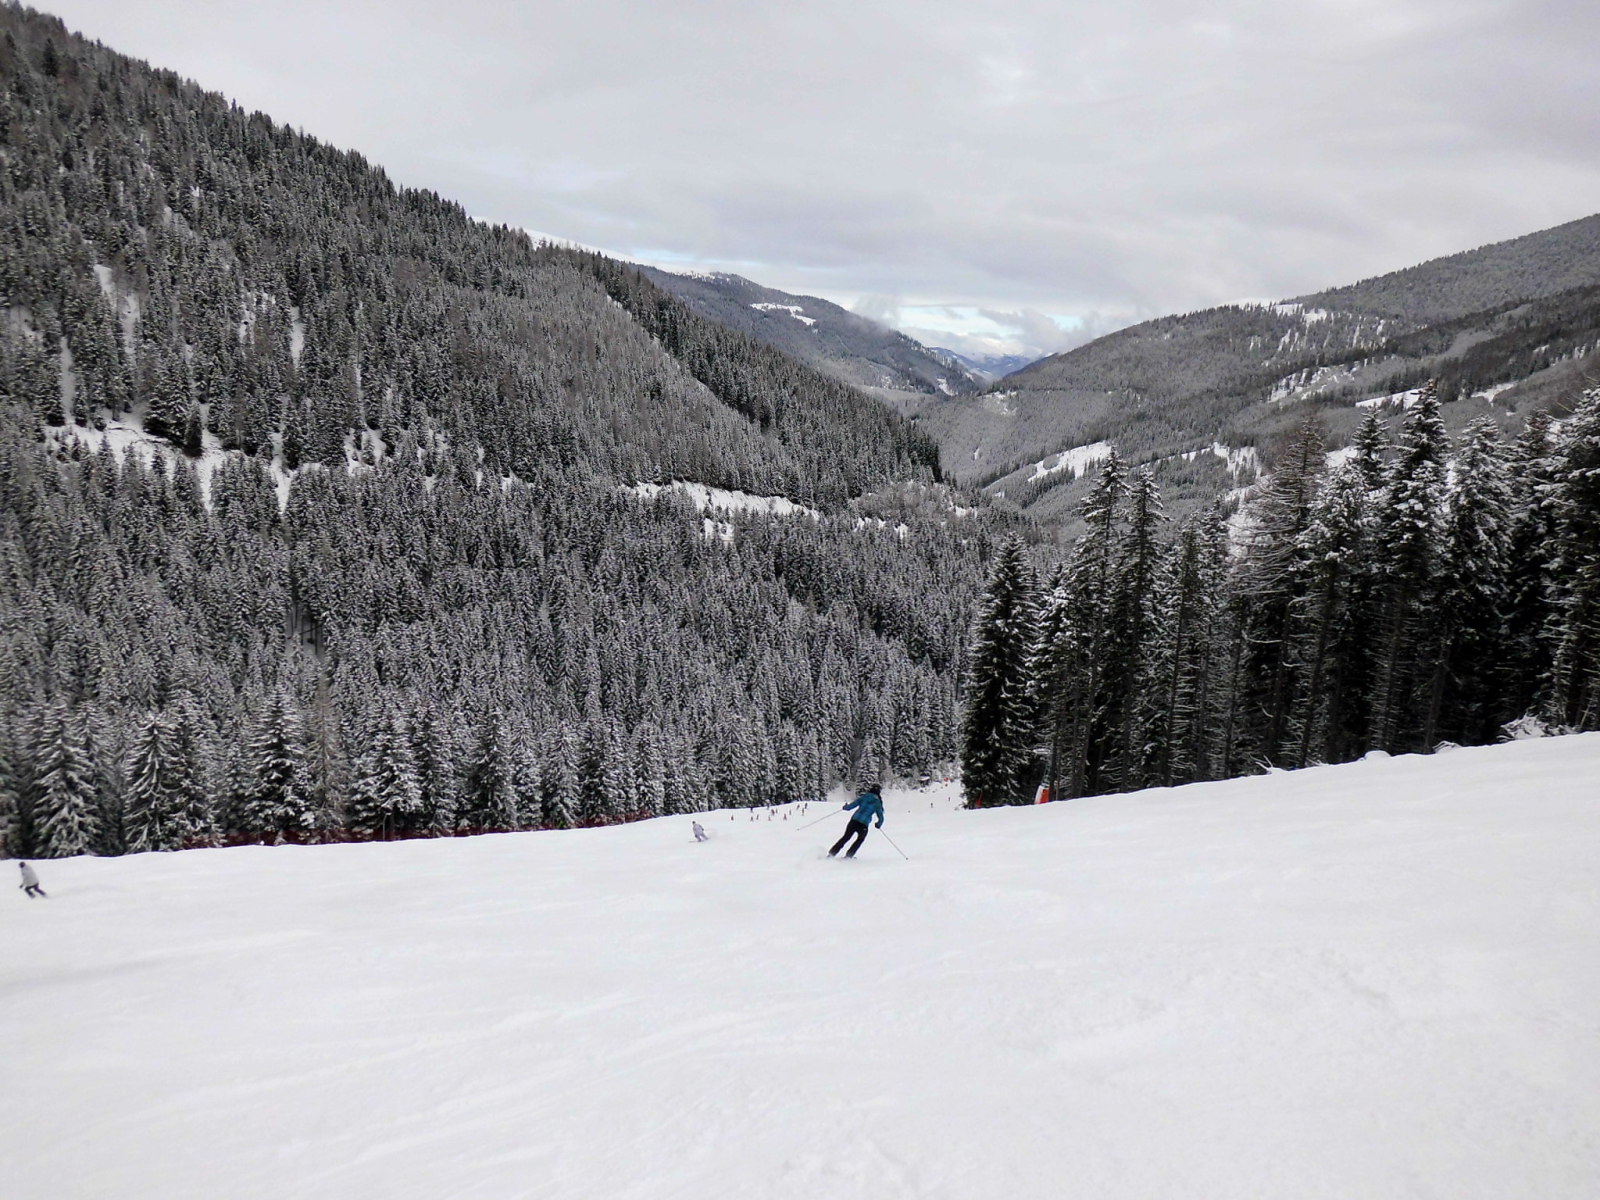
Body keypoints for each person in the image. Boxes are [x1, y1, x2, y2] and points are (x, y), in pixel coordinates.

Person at [828, 785, 884, 858]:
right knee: (860, 839)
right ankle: (849, 855)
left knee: (846, 837)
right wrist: (878, 824)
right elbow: (881, 816)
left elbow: (852, 806)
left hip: (854, 820)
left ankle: (832, 853)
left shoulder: (864, 797)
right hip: (864, 824)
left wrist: (845, 807)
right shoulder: (878, 802)